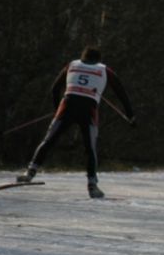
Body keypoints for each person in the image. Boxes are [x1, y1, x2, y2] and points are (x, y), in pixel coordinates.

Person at [16, 45, 135, 199]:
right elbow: (122, 93)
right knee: (90, 149)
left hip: (67, 106)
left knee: (49, 140)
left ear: (82, 57)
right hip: (88, 110)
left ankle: (30, 172)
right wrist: (130, 116)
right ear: (98, 59)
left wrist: (56, 108)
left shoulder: (71, 65)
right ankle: (92, 185)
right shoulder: (105, 70)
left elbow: (54, 88)